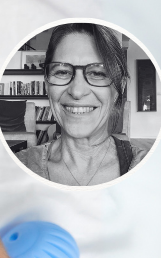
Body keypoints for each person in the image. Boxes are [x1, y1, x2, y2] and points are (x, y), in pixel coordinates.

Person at [15, 23, 148, 186]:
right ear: (47, 85)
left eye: (97, 73)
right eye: (62, 72)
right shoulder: (17, 167)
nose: (77, 92)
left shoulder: (150, 169)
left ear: (119, 88)